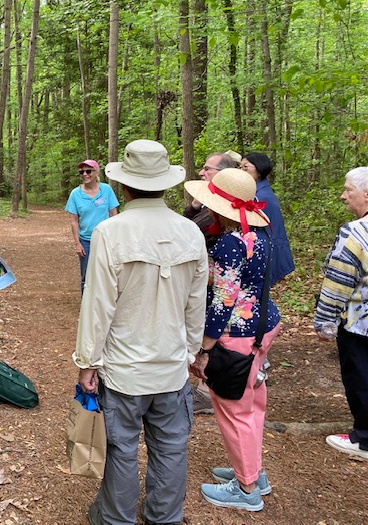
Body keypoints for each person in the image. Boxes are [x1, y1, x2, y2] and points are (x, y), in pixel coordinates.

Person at [73, 140, 208, 525]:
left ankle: (116, 518)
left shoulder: (110, 232)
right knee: (170, 449)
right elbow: (195, 303)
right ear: (165, 184)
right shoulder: (190, 233)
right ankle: (164, 518)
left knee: (121, 447)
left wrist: (88, 363)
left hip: (124, 368)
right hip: (170, 367)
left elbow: (97, 305)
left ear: (125, 186)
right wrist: (193, 352)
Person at [185, 168, 281, 512]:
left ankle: (246, 488)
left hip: (235, 334)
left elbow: (224, 299)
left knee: (234, 410)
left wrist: (204, 349)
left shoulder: (229, 242)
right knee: (252, 403)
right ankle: (254, 471)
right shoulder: (260, 234)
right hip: (262, 325)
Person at [314, 167, 368, 461]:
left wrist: (325, 321)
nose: (343, 195)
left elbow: (338, 282)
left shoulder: (355, 233)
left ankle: (364, 439)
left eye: (349, 190)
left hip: (359, 324)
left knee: (360, 375)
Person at [183, 152, 240, 416]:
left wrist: (204, 347)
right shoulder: (210, 205)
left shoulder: (232, 228)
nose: (202, 172)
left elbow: (191, 231)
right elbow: (188, 226)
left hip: (224, 292)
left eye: (207, 169)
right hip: (214, 285)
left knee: (219, 333)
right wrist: (195, 206)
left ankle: (209, 388)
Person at [65, 159, 119, 294]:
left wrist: (117, 238)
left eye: (88, 171)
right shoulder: (75, 194)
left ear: (96, 173)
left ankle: (105, 304)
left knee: (108, 273)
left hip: (106, 239)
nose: (85, 174)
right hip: (86, 240)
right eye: (81, 172)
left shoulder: (106, 190)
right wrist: (77, 243)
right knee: (86, 275)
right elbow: (74, 221)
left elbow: (114, 214)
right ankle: (86, 307)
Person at [240, 153, 294, 286]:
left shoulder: (261, 197)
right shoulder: (258, 193)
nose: (242, 171)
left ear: (259, 168)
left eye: (245, 167)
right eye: (240, 167)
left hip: (266, 253)